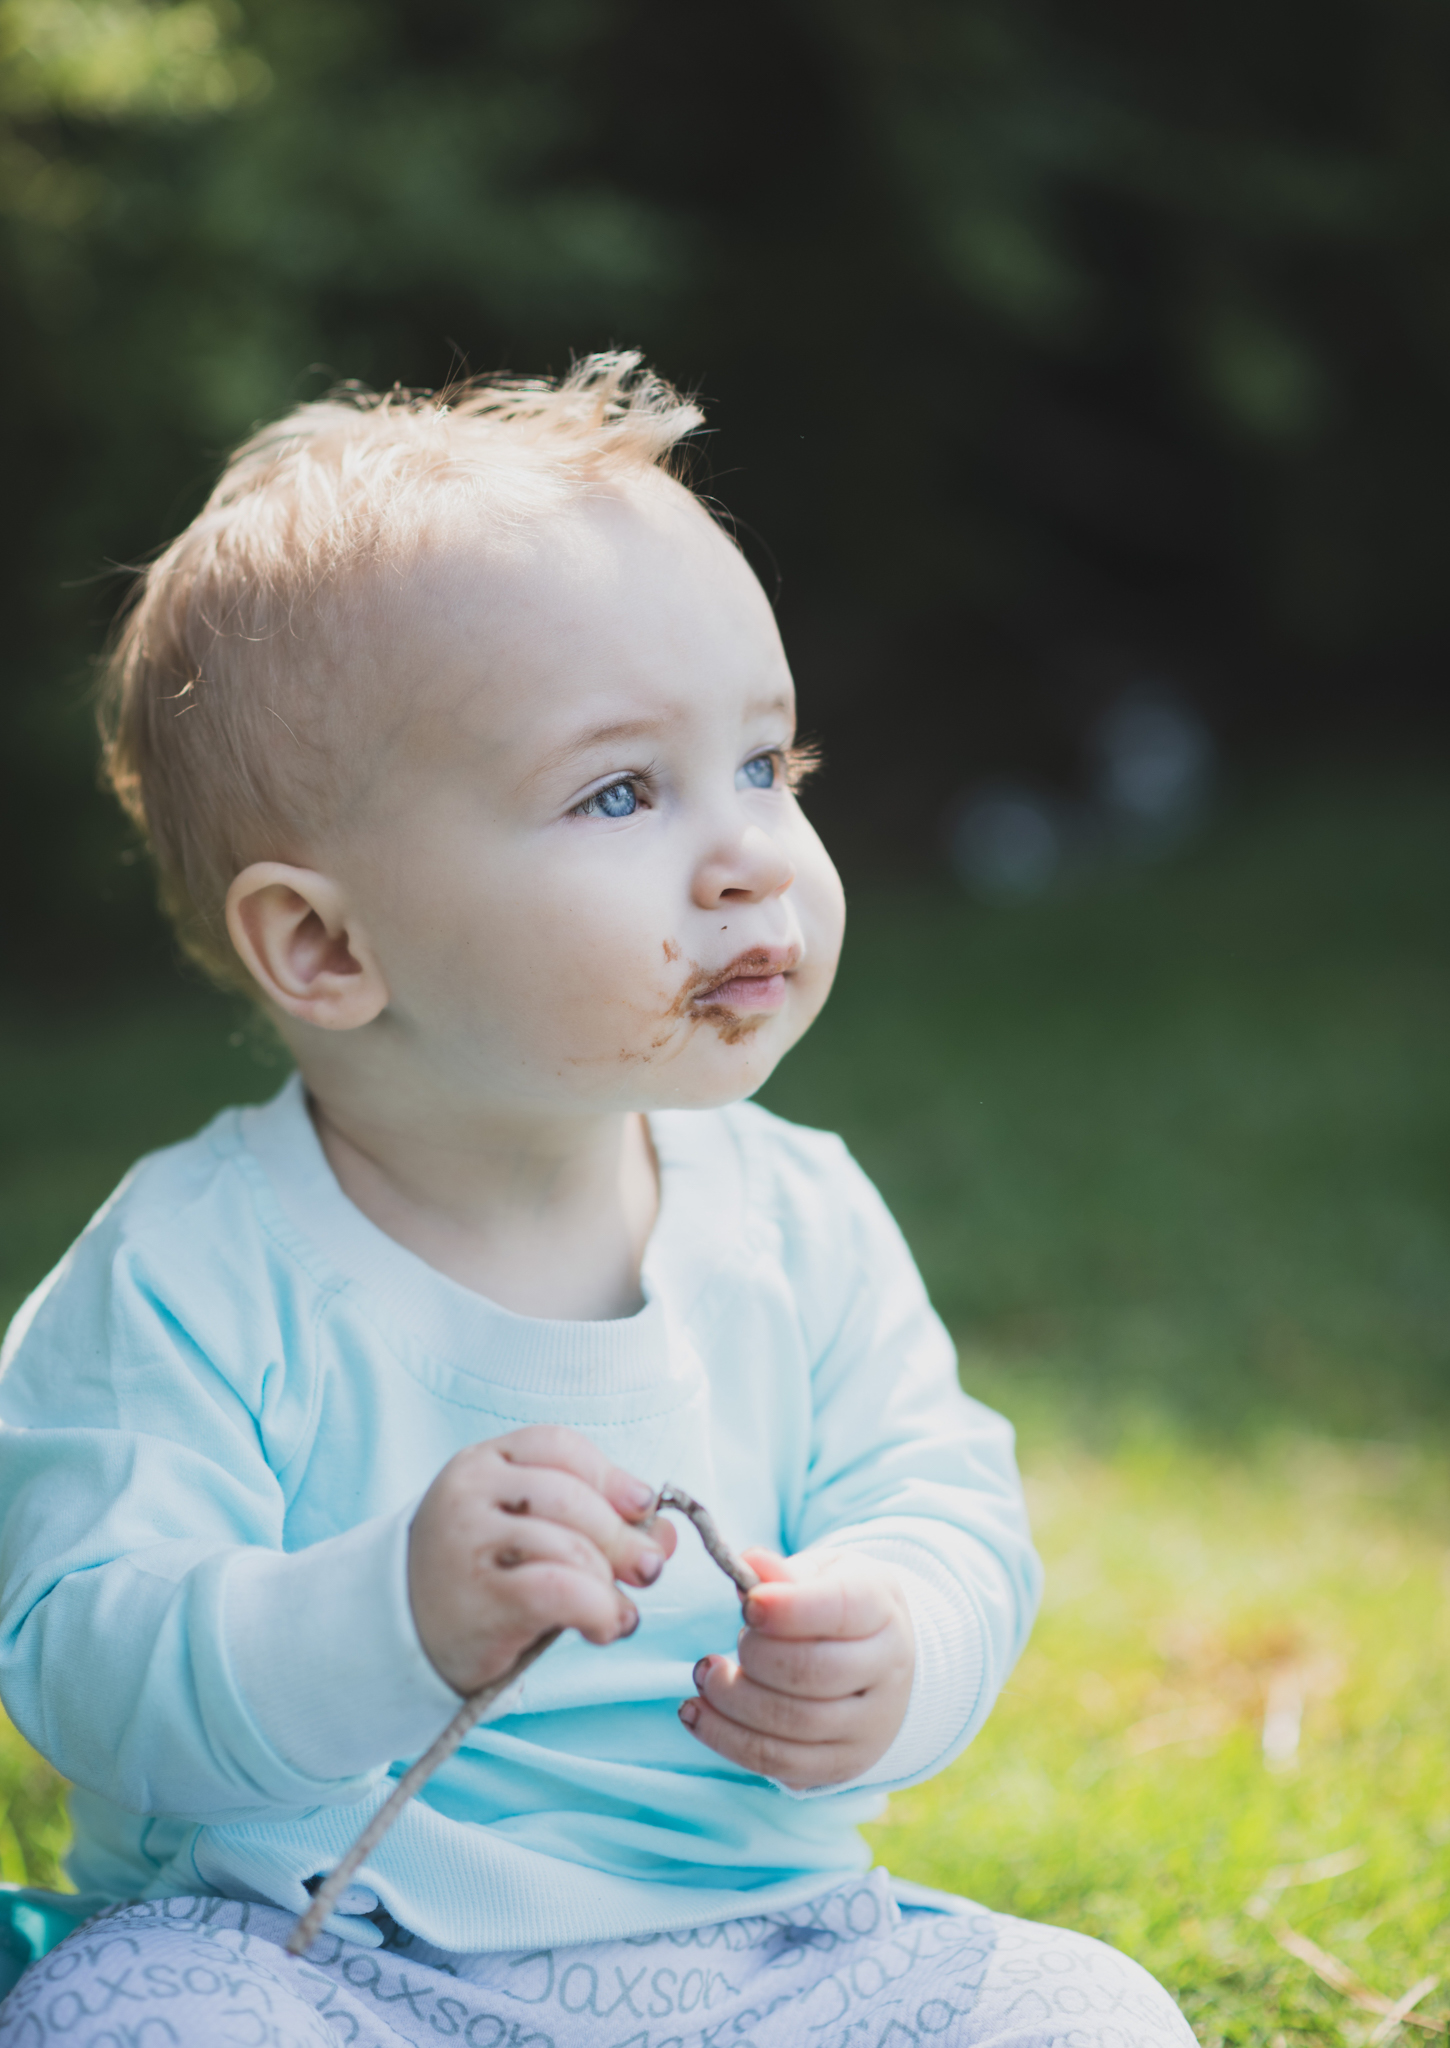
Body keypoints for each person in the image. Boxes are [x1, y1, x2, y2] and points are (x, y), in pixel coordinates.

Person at [0, 355, 1194, 2047]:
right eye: (622, 791)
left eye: (768, 767)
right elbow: (81, 1660)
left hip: (762, 1954)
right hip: (303, 1959)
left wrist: (899, 1636)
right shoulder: (190, 1274)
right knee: (133, 2024)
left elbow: (941, 1497)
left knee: (1085, 2015)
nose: (748, 856)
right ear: (328, 947)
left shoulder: (798, 1223)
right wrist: (384, 1611)